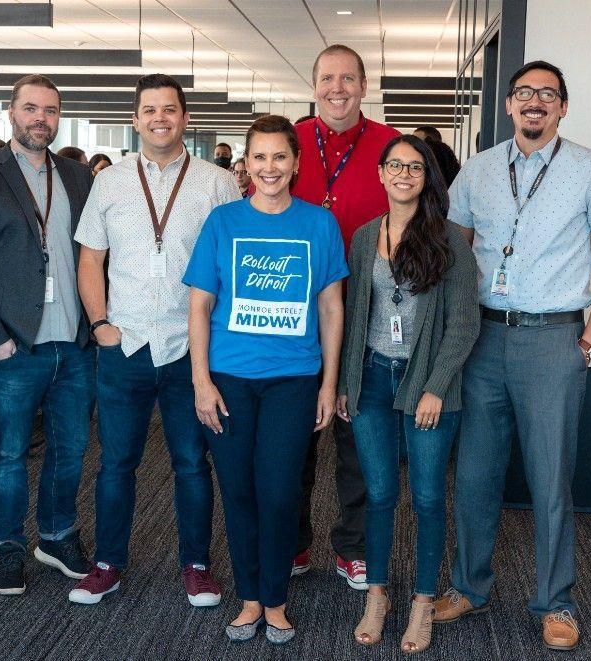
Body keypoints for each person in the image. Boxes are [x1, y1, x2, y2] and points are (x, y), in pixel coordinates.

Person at [434, 61, 591, 652]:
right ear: (509, 105)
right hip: (484, 340)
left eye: (547, 94)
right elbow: (454, 257)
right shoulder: (477, 170)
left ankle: (556, 603)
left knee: (550, 481)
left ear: (563, 108)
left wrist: (588, 341)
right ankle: (469, 586)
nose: (534, 103)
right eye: (524, 93)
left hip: (554, 341)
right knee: (473, 475)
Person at [70, 73, 239, 607]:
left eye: (170, 109)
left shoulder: (217, 182)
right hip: (127, 345)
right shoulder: (110, 181)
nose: (160, 119)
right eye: (150, 110)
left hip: (192, 349)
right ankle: (108, 564)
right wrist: (100, 324)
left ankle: (196, 565)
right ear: (136, 118)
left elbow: (234, 266)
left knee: (192, 462)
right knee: (117, 462)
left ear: (185, 118)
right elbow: (90, 257)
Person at [185, 115, 347, 645]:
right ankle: (249, 598)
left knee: (278, 492)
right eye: (260, 157)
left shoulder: (318, 225)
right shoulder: (222, 222)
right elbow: (200, 305)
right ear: (245, 164)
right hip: (229, 379)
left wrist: (328, 384)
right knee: (238, 491)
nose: (270, 167)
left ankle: (275, 600)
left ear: (296, 164)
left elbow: (330, 307)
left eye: (280, 157)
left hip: (293, 381)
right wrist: (201, 382)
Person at [0, 74, 97, 596]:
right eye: (30, 108)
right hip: (14, 344)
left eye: (51, 110)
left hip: (74, 343)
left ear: (60, 117)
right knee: (9, 452)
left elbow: (96, 255)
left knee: (71, 448)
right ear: (11, 113)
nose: (41, 119)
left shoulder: (79, 178)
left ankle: (56, 536)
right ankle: (7, 546)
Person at [336, 135, 479, 651]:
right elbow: (354, 319)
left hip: (427, 387)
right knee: (378, 494)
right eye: (394, 165)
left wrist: (436, 388)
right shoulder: (363, 236)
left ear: (426, 177)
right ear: (380, 173)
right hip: (372, 379)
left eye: (414, 167)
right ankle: (378, 593)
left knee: (426, 497)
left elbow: (463, 326)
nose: (403, 174)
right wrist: (347, 383)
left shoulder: (449, 242)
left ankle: (421, 600)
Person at [291, 44, 401, 587]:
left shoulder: (389, 146)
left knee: (358, 438)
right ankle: (294, 542)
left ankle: (353, 545)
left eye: (348, 79)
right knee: (295, 436)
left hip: (368, 315)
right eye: (328, 78)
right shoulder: (288, 141)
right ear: (314, 85)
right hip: (292, 315)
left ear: (364, 85)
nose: (338, 88)